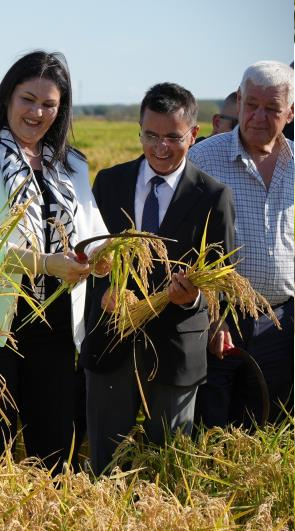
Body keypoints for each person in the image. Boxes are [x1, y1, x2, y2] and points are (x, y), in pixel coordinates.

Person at [0, 51, 109, 472]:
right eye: (28, 99)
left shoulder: (72, 163)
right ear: (7, 97)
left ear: (61, 110)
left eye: (49, 104)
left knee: (55, 447)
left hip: (57, 324)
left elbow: (91, 228)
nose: (37, 112)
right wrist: (44, 263)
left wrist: (103, 256)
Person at [82, 82, 235, 474]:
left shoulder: (213, 196)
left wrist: (193, 299)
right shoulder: (109, 182)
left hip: (174, 352)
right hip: (110, 346)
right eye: (150, 135)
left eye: (172, 137)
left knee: (168, 469)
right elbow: (94, 257)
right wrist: (104, 291)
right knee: (105, 467)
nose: (160, 148)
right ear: (140, 129)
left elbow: (222, 282)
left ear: (194, 134)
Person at [189, 61, 294, 428]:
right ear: (239, 100)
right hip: (219, 318)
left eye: (272, 109)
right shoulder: (204, 159)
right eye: (251, 105)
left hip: (281, 321)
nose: (259, 117)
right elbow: (186, 246)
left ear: (290, 112)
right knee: (213, 422)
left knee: (267, 423)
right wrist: (212, 318)